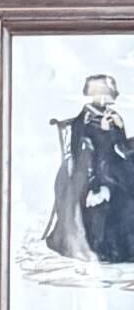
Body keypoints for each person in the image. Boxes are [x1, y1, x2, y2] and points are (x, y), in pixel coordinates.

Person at [43, 71, 134, 268]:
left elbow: (121, 148)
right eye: (107, 93)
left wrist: (119, 128)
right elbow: (85, 154)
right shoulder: (82, 122)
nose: (109, 98)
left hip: (114, 167)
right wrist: (103, 132)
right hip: (95, 172)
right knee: (121, 193)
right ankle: (114, 248)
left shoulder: (113, 116)